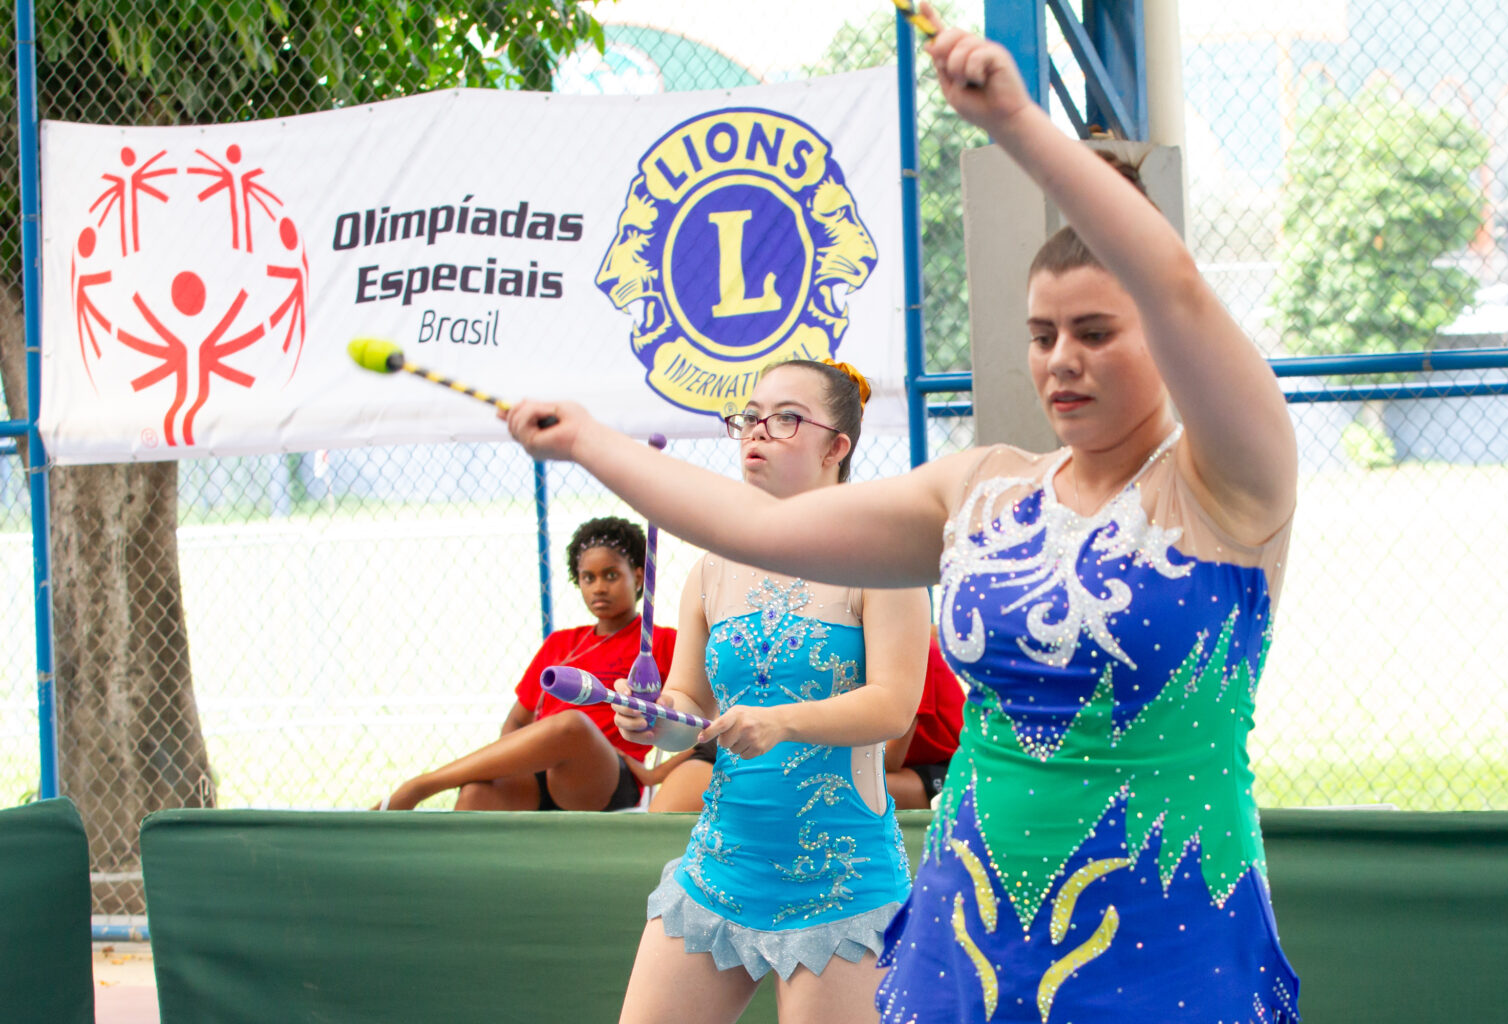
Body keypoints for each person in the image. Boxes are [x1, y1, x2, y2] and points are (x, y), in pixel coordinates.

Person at [503, 6, 1301, 1018]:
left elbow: (1179, 287)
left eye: (1097, 331)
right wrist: (587, 440)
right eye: (1044, 332)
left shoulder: (1231, 483)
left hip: (1169, 923)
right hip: (969, 926)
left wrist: (1018, 126)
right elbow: (755, 528)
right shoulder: (980, 490)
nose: (1062, 359)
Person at [611, 359, 930, 1024]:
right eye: (749, 418)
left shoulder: (884, 560)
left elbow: (893, 705)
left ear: (835, 448)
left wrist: (782, 722)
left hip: (842, 884)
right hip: (720, 868)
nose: (756, 432)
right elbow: (689, 706)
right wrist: (654, 719)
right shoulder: (710, 568)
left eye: (784, 419)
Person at [376, 516, 676, 812]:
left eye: (611, 575)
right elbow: (517, 722)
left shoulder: (660, 643)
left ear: (638, 577)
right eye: (588, 577)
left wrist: (655, 775)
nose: (598, 587)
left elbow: (703, 721)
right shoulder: (561, 643)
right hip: (540, 776)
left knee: (572, 725)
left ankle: (421, 787)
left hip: (601, 778)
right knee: (477, 793)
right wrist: (505, 768)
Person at [642, 627, 961, 814]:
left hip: (923, 768)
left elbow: (890, 757)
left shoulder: (908, 646)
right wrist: (659, 767)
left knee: (819, 785)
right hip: (795, 746)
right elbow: (709, 726)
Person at [883, 628, 963, 811]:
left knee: (854, 789)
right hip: (911, 765)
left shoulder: (911, 647)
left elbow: (890, 761)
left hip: (952, 767)